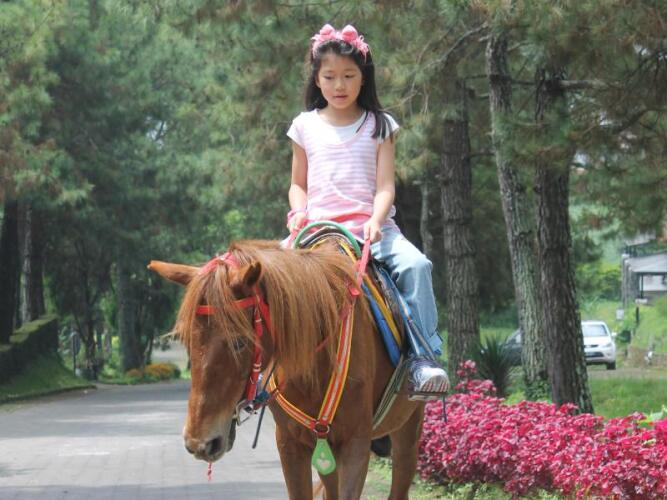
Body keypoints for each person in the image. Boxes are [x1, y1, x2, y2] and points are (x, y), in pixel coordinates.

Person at [285, 23, 448, 399]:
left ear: (363, 77)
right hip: (316, 232)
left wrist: (376, 221)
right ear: (317, 79)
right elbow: (298, 184)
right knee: (266, 278)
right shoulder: (304, 126)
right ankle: (265, 369)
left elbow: (385, 186)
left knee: (417, 266)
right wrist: (298, 213)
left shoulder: (380, 125)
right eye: (329, 76)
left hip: (374, 232)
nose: (339, 85)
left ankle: (423, 359)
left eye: (348, 75)